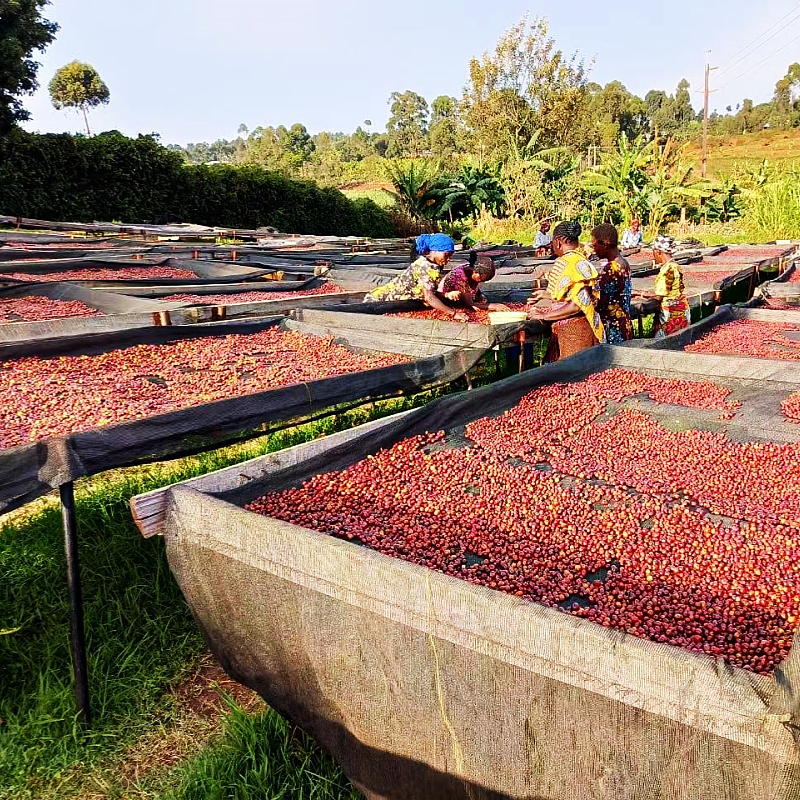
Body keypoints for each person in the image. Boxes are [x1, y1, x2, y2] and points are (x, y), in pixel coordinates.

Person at [527, 221, 606, 360]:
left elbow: (577, 305)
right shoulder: (581, 260)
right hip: (578, 330)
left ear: (557, 242)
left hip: (575, 334)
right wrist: (546, 295)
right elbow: (572, 293)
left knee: (574, 376)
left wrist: (544, 315)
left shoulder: (569, 263)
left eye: (552, 242)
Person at [364, 233, 468, 322]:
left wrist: (446, 295)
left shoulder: (434, 266)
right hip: (380, 301)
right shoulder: (424, 266)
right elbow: (429, 298)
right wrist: (454, 313)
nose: (448, 259)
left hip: (396, 302)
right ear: (435, 250)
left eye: (450, 256)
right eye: (446, 255)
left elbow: (430, 291)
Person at [591, 223, 633, 344]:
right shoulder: (624, 263)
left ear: (604, 245)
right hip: (624, 323)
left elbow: (601, 302)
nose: (594, 250)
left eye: (595, 245)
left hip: (613, 328)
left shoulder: (611, 268)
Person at [651, 235, 691, 337]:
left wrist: (640, 295)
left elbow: (660, 295)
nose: (653, 255)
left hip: (671, 312)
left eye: (653, 252)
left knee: (666, 343)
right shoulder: (674, 266)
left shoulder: (668, 269)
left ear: (658, 252)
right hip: (680, 308)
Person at [439, 255, 506, 312]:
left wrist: (479, 297)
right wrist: (494, 306)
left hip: (466, 295)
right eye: (480, 280)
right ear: (475, 272)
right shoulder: (460, 276)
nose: (481, 282)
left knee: (482, 300)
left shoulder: (472, 271)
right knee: (475, 308)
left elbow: (474, 287)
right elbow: (469, 304)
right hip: (446, 300)